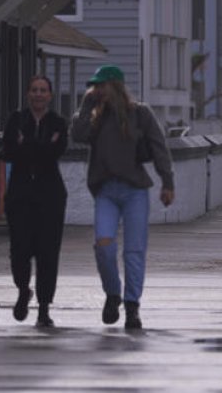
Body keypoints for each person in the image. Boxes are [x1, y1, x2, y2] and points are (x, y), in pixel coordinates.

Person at [70, 64, 174, 330]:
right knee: (103, 246)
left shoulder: (140, 114)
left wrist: (167, 182)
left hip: (134, 190)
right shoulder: (95, 116)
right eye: (95, 86)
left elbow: (159, 148)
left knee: (134, 251)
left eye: (101, 85)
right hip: (106, 190)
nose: (97, 90)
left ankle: (132, 306)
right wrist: (85, 105)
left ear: (114, 86)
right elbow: (78, 136)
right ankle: (113, 293)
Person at [2, 75, 69, 327]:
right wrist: (39, 146)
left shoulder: (58, 122)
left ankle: (43, 308)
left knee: (47, 254)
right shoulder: (16, 120)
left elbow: (56, 152)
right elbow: (9, 151)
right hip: (19, 197)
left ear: (50, 95)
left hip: (50, 198)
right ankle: (22, 289)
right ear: (28, 94)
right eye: (34, 90)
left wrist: (26, 145)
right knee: (19, 251)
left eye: (43, 90)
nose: (38, 94)